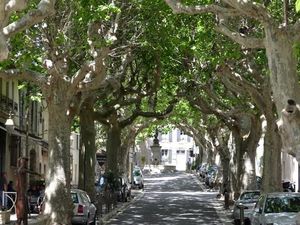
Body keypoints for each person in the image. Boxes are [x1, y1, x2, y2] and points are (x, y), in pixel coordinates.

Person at [15, 157, 40, 225]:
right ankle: (20, 221)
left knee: (24, 212)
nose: (26, 164)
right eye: (25, 162)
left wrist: (19, 160)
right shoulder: (21, 170)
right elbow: (30, 171)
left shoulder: (18, 169)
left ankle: (22, 221)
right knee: (22, 212)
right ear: (23, 163)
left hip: (22, 193)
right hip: (22, 194)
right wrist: (37, 173)